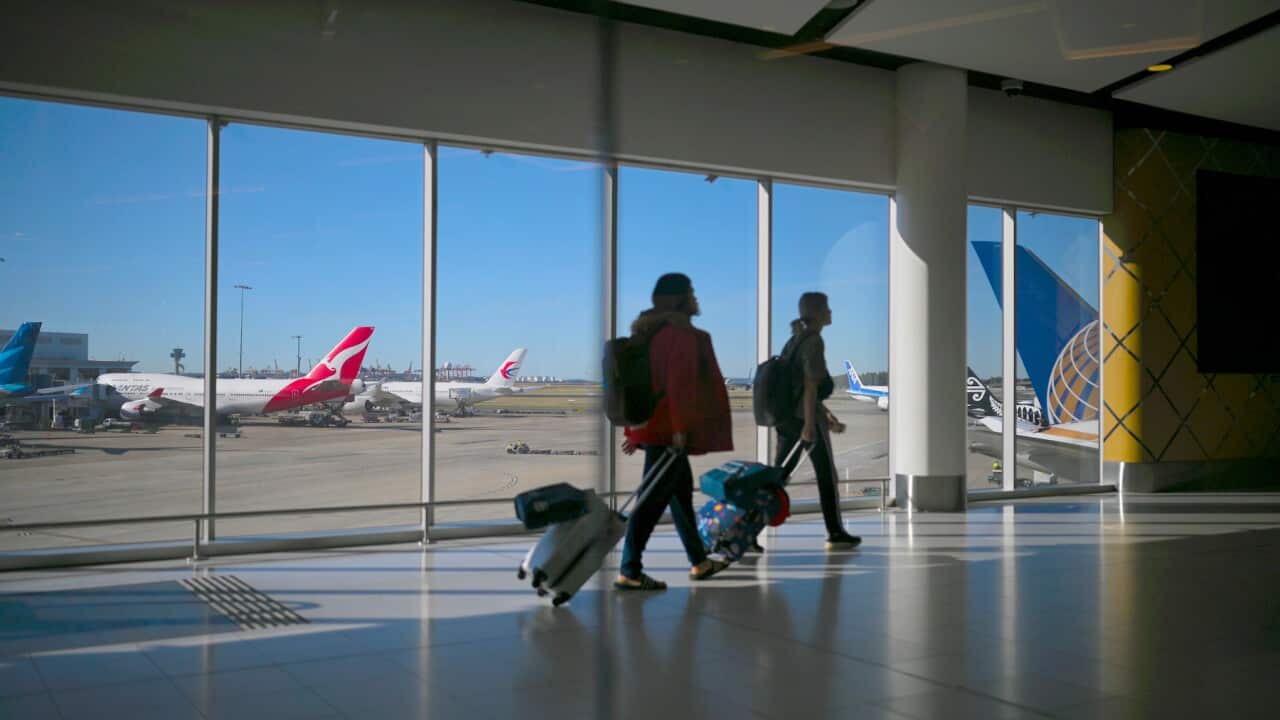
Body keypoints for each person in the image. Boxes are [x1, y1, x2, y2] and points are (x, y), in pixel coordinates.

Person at [616, 273, 733, 591]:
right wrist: (681, 429)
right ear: (677, 298)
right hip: (669, 432)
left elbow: (641, 385)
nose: (696, 297)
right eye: (690, 292)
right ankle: (629, 569)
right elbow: (679, 387)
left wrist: (634, 430)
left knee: (680, 497)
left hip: (657, 428)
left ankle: (699, 561)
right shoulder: (678, 335)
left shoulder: (650, 334)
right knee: (650, 504)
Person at [775, 292, 863, 550]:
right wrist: (810, 425)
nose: (831, 312)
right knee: (827, 476)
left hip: (788, 419)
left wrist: (825, 414)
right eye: (827, 307)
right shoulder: (813, 342)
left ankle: (746, 525)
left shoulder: (794, 341)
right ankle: (835, 532)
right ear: (816, 312)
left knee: (778, 477)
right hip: (805, 422)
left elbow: (799, 389)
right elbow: (811, 386)